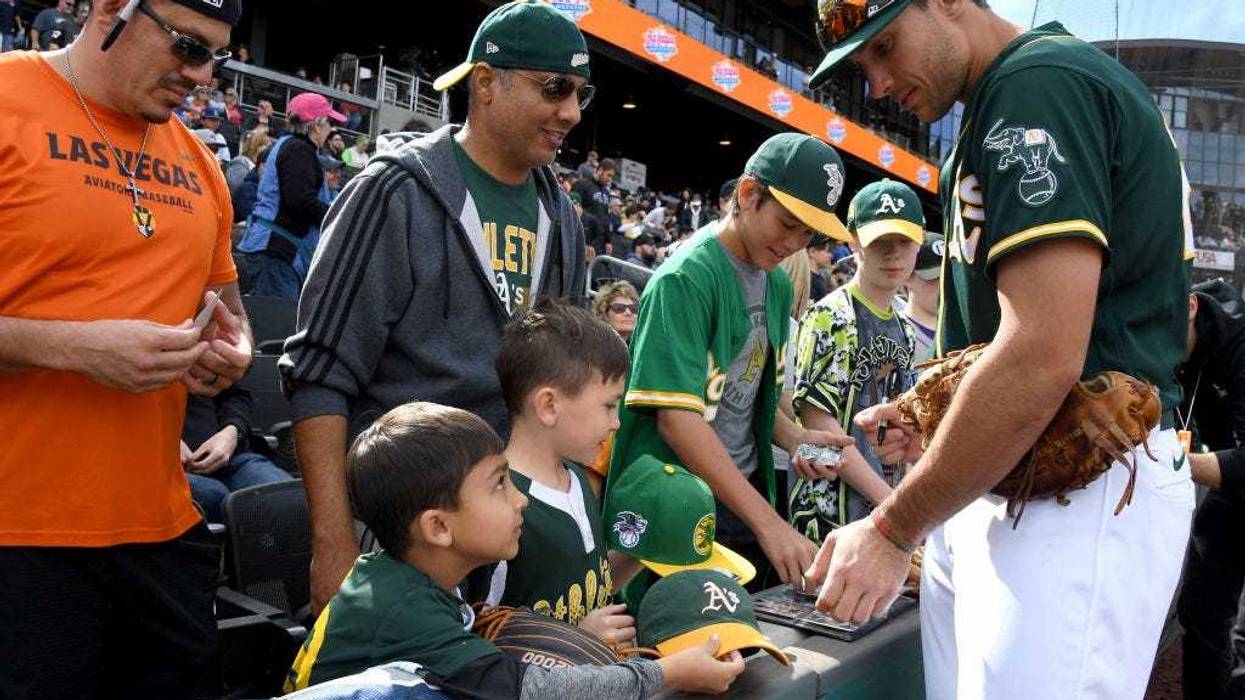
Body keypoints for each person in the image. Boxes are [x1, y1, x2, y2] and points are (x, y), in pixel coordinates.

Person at [802, 2, 1195, 698]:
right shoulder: (1001, 100)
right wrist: (943, 414)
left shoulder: (1038, 83)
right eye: (863, 61)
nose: (877, 80)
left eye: (885, 45)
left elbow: (1042, 353)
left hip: (1083, 491)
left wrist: (894, 527)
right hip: (1016, 481)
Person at [280, 0, 590, 614]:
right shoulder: (393, 190)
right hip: (406, 533)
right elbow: (319, 375)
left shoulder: (563, 218)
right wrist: (333, 544)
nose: (571, 112)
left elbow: (566, 385)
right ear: (485, 83)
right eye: (554, 88)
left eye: (583, 93)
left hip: (513, 523)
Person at [0, 0, 252, 696]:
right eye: (186, 46)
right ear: (111, 7)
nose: (201, 76)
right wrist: (73, 349)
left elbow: (228, 309)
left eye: (216, 57)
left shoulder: (197, 160)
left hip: (160, 532)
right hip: (19, 537)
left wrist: (231, 351)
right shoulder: (7, 100)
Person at [284, 402, 746, 696]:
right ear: (439, 527)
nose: (521, 498)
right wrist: (669, 675)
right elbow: (529, 691)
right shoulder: (399, 608)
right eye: (499, 486)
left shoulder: (415, 578)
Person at [606, 133, 856, 591]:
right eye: (788, 223)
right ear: (746, 194)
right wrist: (771, 524)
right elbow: (677, 422)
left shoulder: (776, 284)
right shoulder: (686, 278)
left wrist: (795, 436)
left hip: (742, 493)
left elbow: (750, 396)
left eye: (809, 233)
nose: (795, 243)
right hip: (675, 504)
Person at [484, 299, 643, 645]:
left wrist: (642, 550)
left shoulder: (578, 480)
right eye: (608, 406)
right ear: (549, 406)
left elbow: (590, 588)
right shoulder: (495, 504)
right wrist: (576, 638)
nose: (616, 422)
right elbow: (480, 644)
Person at [788, 179, 921, 542]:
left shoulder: (904, 327)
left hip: (882, 505)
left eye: (903, 242)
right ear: (854, 241)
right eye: (879, 242)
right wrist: (893, 506)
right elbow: (819, 425)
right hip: (829, 514)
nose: (893, 254)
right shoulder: (830, 316)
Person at [1176, 279, 1245, 699]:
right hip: (1230, 481)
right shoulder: (1171, 345)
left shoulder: (1238, 343)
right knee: (1201, 610)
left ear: (1188, 308)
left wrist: (1173, 465)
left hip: (1234, 466)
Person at [235, 91, 345, 300]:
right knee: (277, 325)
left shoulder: (293, 146)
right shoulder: (298, 150)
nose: (332, 128)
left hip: (276, 250)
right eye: (329, 122)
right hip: (276, 251)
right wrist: (339, 215)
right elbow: (300, 202)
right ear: (316, 125)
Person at [181, 385, 294, 522]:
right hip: (166, 468)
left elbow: (235, 396)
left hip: (232, 457)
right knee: (215, 497)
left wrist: (232, 432)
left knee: (286, 497)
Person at [899, 232, 943, 364]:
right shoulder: (895, 337)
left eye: (950, 277)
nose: (944, 286)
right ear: (907, 276)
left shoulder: (962, 328)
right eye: (935, 278)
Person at [226, 126, 271, 193]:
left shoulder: (260, 166)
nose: (269, 151)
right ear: (254, 147)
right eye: (266, 146)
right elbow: (238, 190)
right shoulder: (239, 164)